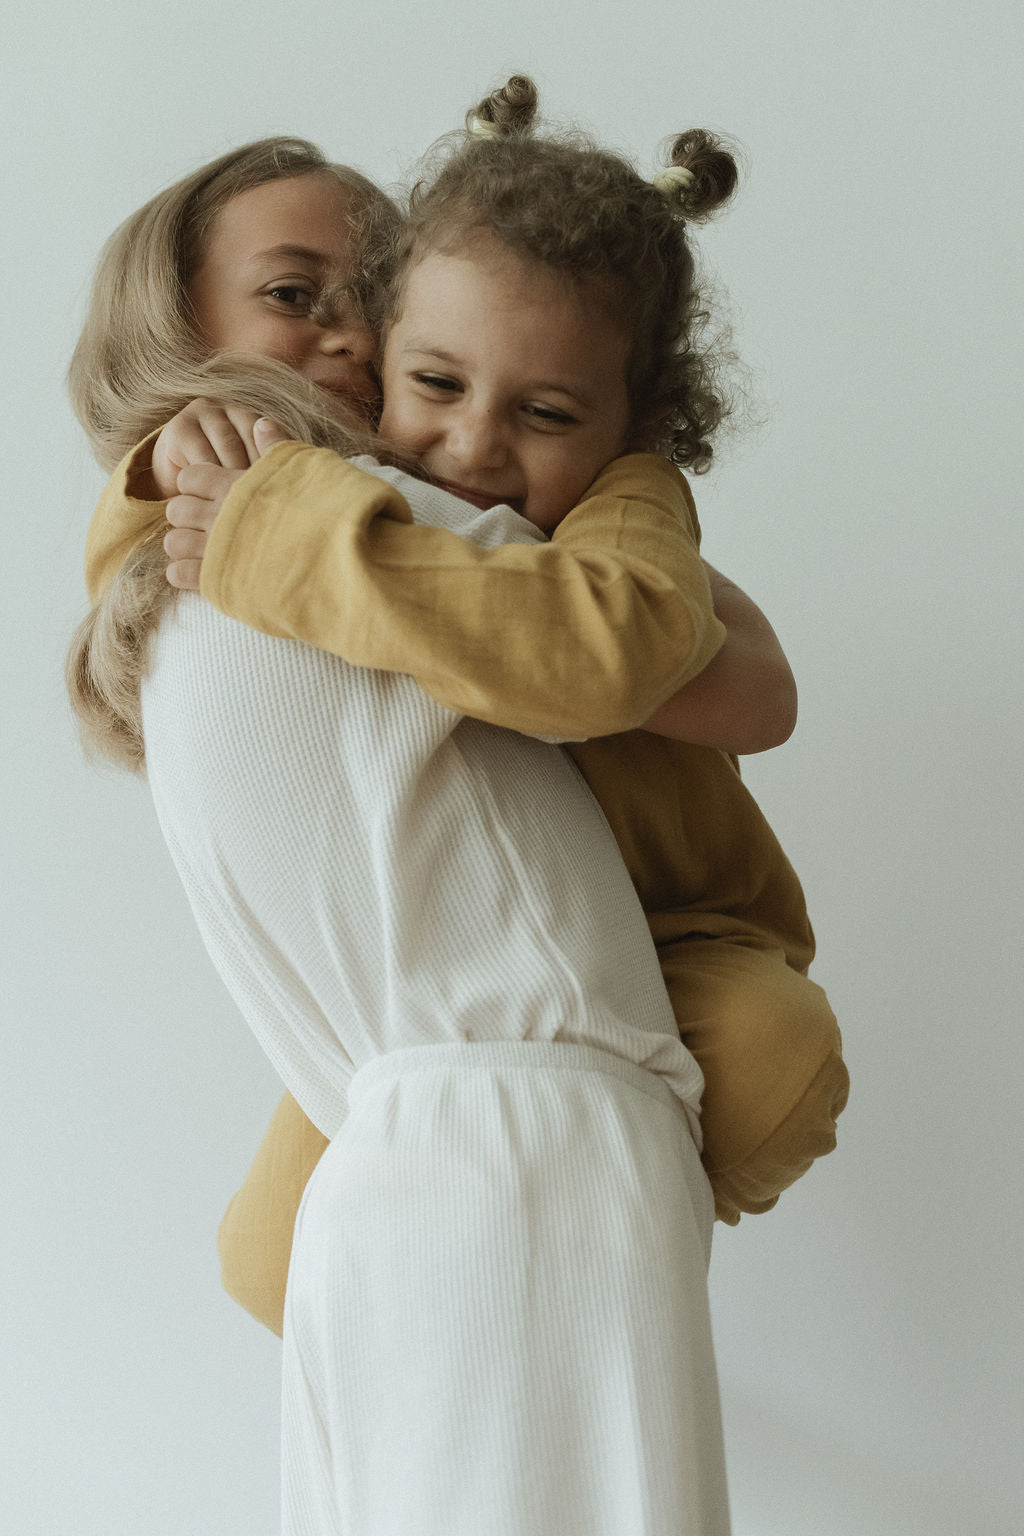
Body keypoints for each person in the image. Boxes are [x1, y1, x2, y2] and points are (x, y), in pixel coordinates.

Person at [69, 81, 844, 1533]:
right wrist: (165, 453)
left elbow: (709, 667)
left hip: (595, 1009)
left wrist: (278, 527)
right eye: (300, 295)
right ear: (170, 323)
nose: (347, 338)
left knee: (762, 1049)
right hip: (416, 1088)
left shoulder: (455, 519)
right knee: (261, 1256)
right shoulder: (237, 498)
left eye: (363, 294)